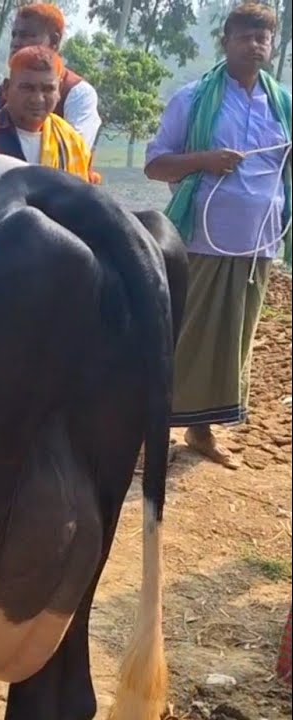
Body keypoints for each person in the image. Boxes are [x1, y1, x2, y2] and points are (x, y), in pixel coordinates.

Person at [144, 2, 290, 469]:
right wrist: (202, 160)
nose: (255, 44)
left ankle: (201, 430)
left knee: (234, 341)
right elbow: (156, 163)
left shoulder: (283, 104)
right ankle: (152, 433)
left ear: (272, 44)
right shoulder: (193, 99)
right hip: (201, 240)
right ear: (225, 41)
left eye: (263, 37)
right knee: (185, 337)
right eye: (245, 35)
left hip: (258, 242)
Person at [0, 45, 95, 183]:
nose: (37, 99)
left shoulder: (73, 144)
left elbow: (83, 205)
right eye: (27, 88)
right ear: (6, 89)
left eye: (47, 89)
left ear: (59, 91)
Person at [0, 2, 101, 152]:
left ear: (54, 41)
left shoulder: (78, 94)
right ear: (7, 89)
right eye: (14, 35)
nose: (16, 42)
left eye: (26, 35)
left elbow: (74, 153)